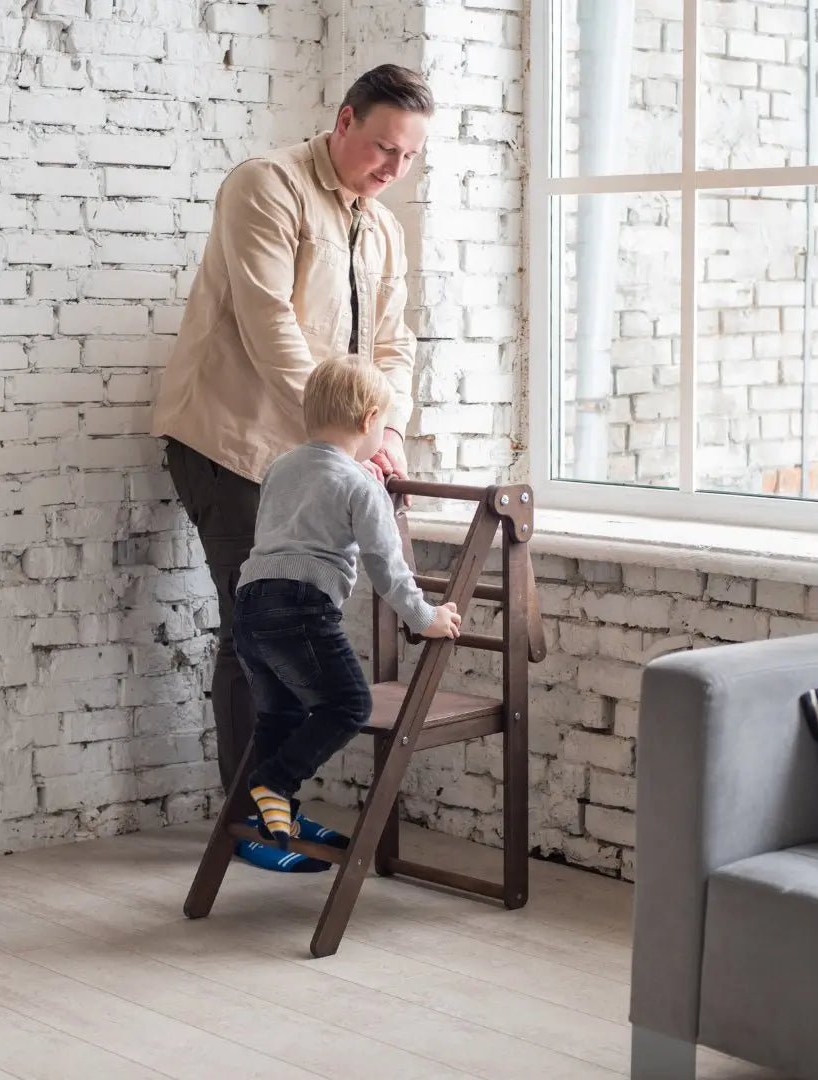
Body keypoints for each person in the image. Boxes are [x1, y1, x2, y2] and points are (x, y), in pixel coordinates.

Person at [151, 65, 434, 871]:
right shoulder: (264, 186)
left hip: (322, 453)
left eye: (409, 157)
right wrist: (355, 430)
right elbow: (270, 325)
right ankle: (249, 823)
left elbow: (394, 342)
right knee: (255, 635)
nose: (393, 169)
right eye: (383, 147)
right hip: (233, 443)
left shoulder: (381, 227)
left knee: (288, 634)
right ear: (343, 122)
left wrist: (390, 428)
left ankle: (275, 806)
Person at [236, 358, 461, 855]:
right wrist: (427, 618)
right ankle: (274, 782)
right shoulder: (362, 486)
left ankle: (277, 819)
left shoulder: (281, 468)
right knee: (348, 705)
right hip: (302, 608)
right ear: (368, 422)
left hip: (251, 604)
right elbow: (388, 567)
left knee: (280, 713)